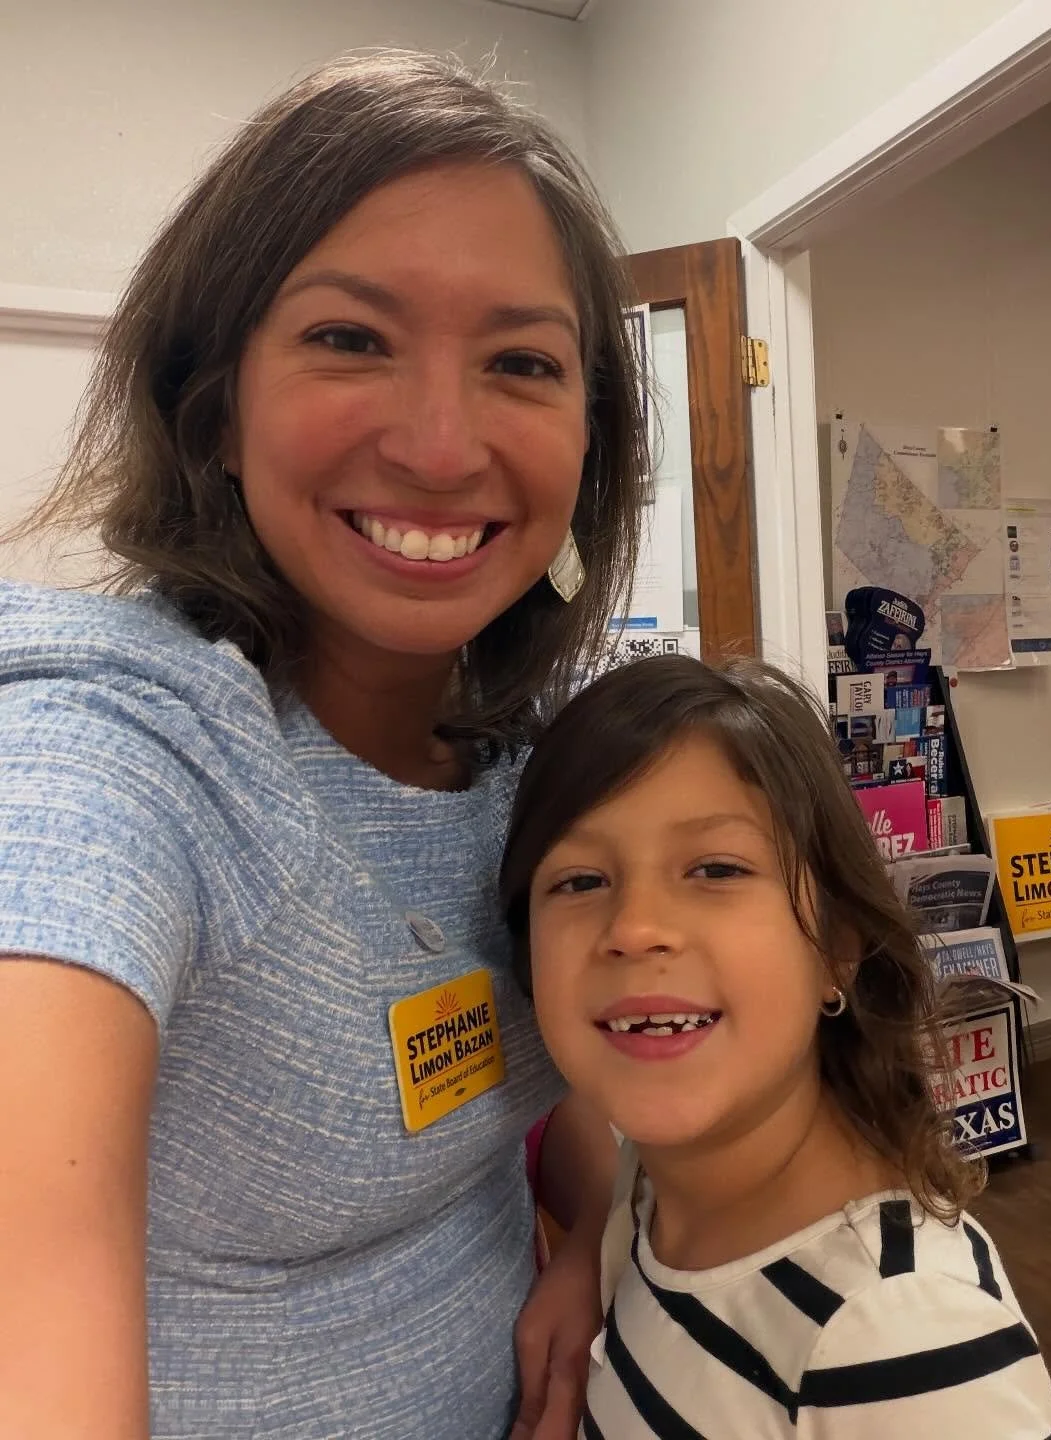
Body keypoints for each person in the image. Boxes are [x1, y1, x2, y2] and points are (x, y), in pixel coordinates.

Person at [0, 51, 646, 1439]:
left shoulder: (529, 754)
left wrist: (586, 1235)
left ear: (592, 447)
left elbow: (591, 1070)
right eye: (351, 338)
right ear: (213, 409)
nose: (436, 442)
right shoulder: (123, 748)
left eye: (521, 363)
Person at [499, 656, 1051, 1437]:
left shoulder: (901, 1333)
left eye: (717, 868)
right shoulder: (650, 1191)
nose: (633, 928)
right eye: (580, 881)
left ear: (836, 946)